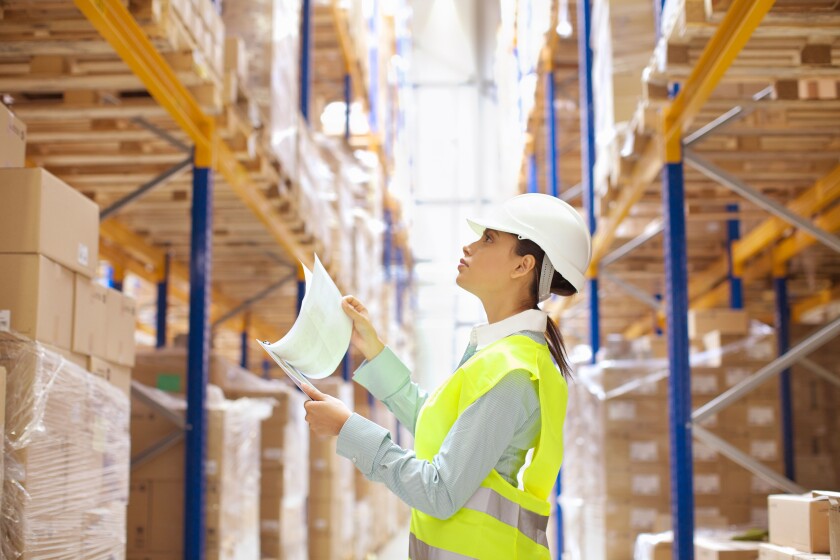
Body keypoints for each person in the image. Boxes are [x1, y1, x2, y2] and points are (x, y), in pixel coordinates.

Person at [301, 193, 592, 559]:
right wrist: (373, 349)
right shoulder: (500, 355)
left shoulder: (513, 373)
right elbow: (438, 423)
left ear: (523, 266)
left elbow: (439, 492)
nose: (469, 246)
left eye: (488, 239)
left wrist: (348, 428)